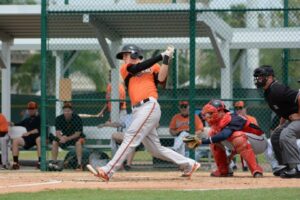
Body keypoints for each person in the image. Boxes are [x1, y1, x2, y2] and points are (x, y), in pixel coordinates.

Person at [87, 44, 200, 182]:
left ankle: (108, 170)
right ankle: (189, 163)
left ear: (135, 54)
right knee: (155, 150)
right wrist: (161, 55)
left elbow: (162, 80)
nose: (124, 59)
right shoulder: (126, 68)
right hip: (137, 110)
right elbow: (137, 68)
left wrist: (166, 60)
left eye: (126, 55)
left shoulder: (154, 67)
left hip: (149, 105)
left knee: (131, 136)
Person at [253, 65, 300, 178]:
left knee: (286, 134)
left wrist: (298, 114)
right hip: (292, 120)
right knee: (276, 136)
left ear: (270, 78)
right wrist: (281, 124)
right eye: (257, 77)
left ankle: (297, 167)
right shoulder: (268, 92)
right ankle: (286, 166)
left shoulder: (276, 89)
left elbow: (299, 97)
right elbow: (283, 108)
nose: (258, 79)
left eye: (261, 77)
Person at [199, 99, 266, 178]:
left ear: (220, 111)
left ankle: (256, 170)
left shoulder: (232, 118)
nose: (208, 116)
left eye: (211, 113)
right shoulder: (217, 122)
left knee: (237, 136)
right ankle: (223, 170)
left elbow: (224, 135)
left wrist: (201, 142)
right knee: (212, 134)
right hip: (244, 141)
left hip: (259, 141)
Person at [50, 101, 84, 171]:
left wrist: (67, 138)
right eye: (65, 111)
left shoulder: (77, 118)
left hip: (74, 138)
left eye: (68, 111)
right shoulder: (59, 119)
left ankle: (79, 164)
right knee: (54, 142)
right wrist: (61, 138)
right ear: (63, 111)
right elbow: (58, 132)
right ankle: (54, 162)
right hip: (64, 138)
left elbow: (77, 134)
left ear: (72, 111)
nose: (67, 112)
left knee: (78, 143)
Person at [10, 101, 41, 170]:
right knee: (15, 140)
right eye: (29, 109)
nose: (30, 110)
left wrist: (29, 132)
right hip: (29, 139)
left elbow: (39, 129)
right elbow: (17, 124)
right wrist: (11, 123)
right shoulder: (27, 119)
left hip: (38, 138)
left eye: (32, 109)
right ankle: (16, 163)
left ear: (36, 109)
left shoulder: (40, 118)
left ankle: (40, 162)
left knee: (39, 139)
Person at [233, 100, 259, 171]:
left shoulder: (252, 119)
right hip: (236, 141)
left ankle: (249, 166)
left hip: (250, 140)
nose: (238, 110)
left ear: (245, 108)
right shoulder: (232, 119)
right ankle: (232, 166)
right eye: (236, 108)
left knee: (246, 143)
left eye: (240, 108)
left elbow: (257, 132)